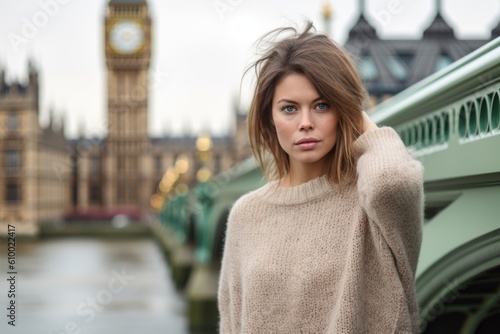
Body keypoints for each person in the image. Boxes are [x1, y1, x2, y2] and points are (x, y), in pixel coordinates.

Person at [217, 21, 423, 334]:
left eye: (322, 105)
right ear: (268, 118)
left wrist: (354, 110)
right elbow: (232, 324)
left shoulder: (372, 204)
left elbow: (392, 180)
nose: (305, 123)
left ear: (345, 111)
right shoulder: (246, 215)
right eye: (289, 109)